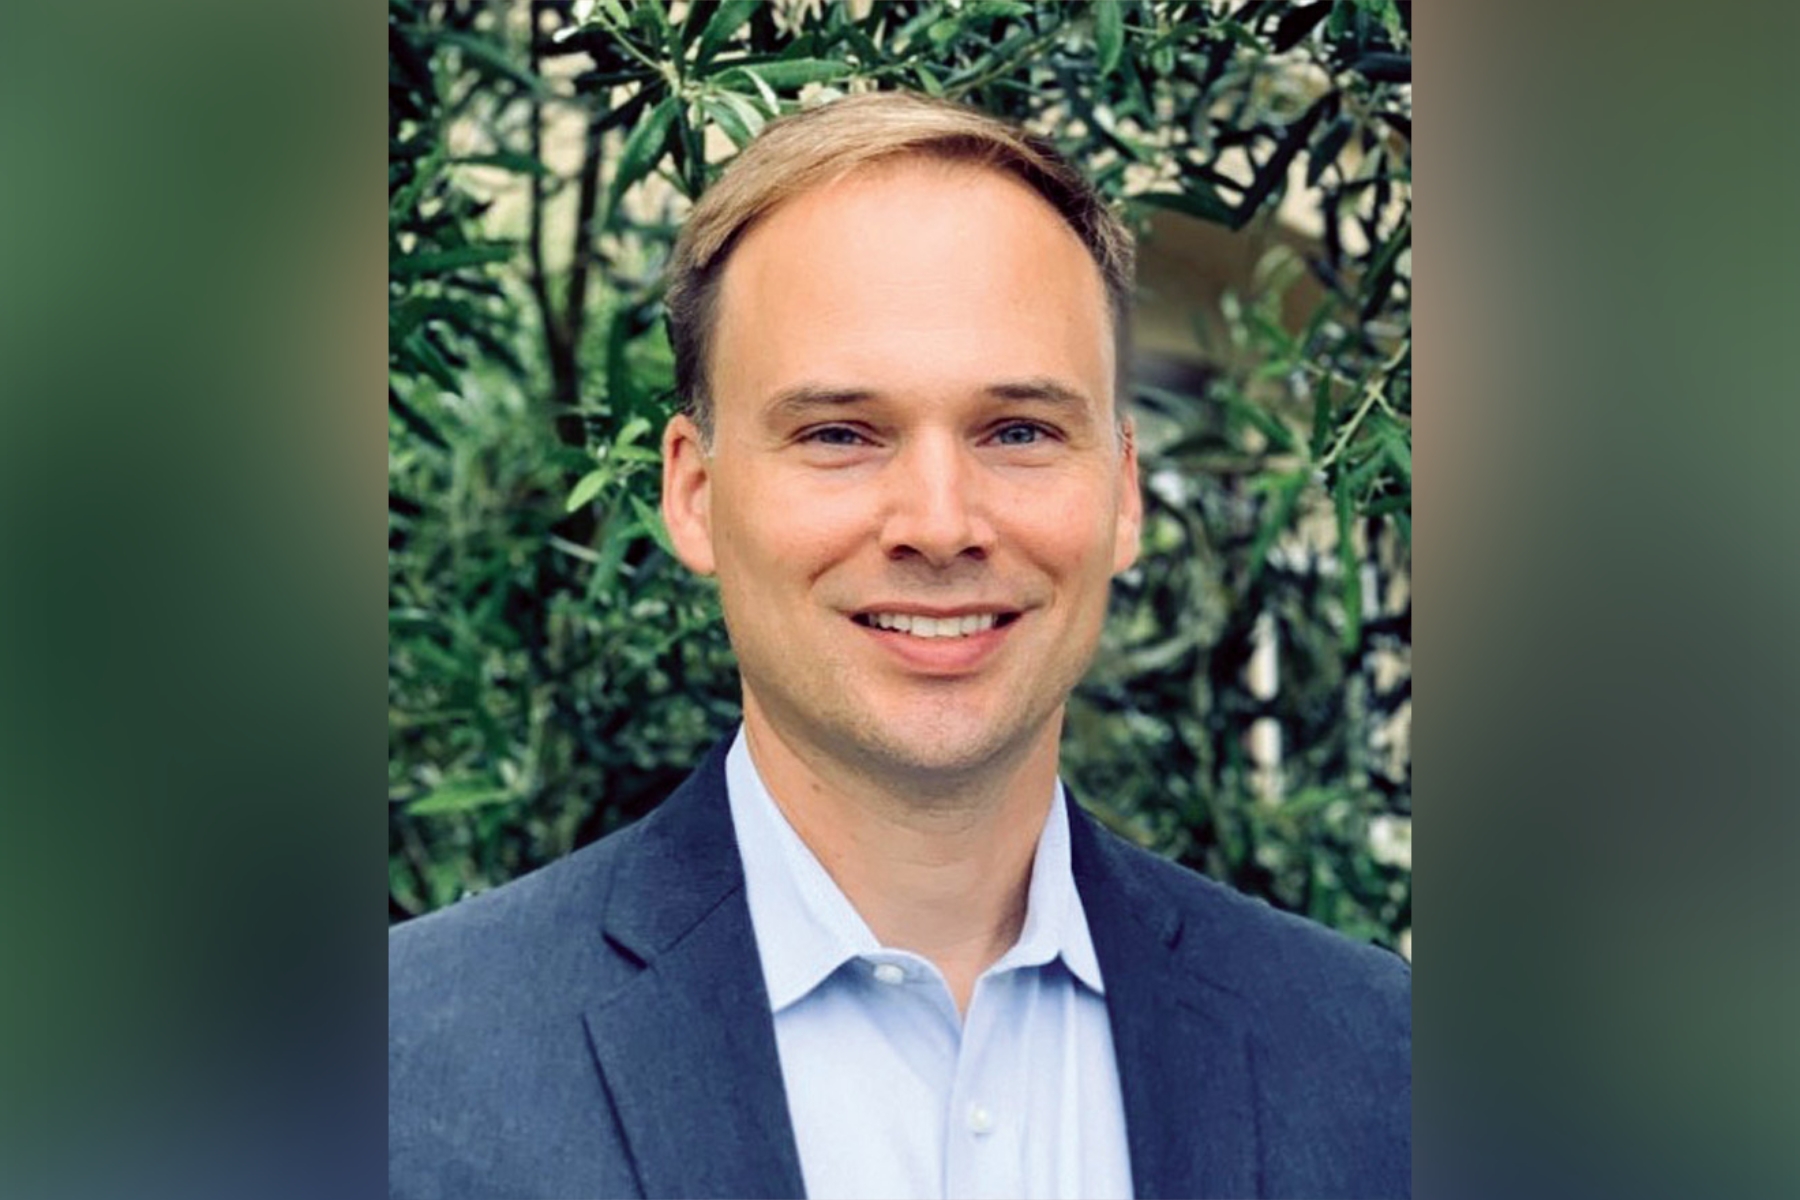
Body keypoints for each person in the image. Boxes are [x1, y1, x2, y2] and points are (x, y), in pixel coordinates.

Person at [389, 91, 1409, 1200]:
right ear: (692, 493)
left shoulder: (1377, 1065)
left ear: (1121, 496)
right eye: (839, 434)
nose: (938, 522)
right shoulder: (403, 1075)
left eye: (1017, 431)